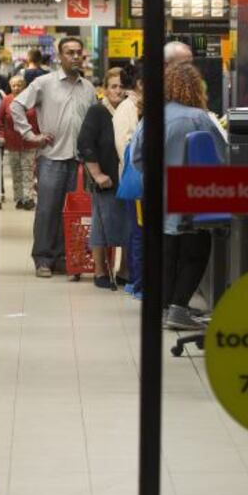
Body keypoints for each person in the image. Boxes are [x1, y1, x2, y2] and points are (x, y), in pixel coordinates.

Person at [132, 61, 227, 330]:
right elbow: (219, 159)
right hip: (190, 198)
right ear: (194, 88)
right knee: (196, 252)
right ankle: (178, 307)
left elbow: (136, 158)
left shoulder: (151, 117)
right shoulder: (199, 118)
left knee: (166, 252)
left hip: (157, 196)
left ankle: (164, 308)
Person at [10, 36, 96, 278]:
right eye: (70, 52)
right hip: (51, 158)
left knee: (69, 212)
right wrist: (30, 135)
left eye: (79, 52)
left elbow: (92, 123)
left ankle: (61, 257)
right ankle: (43, 259)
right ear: (60, 56)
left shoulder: (88, 88)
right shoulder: (43, 83)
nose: (75, 56)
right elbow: (15, 105)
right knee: (47, 210)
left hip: (78, 161)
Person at [78, 67, 129, 289]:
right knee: (101, 224)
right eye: (113, 86)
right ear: (105, 89)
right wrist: (97, 174)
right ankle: (100, 271)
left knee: (128, 226)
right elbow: (85, 144)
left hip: (128, 178)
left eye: (122, 86)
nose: (118, 91)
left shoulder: (131, 110)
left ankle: (125, 271)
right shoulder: (98, 112)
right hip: (105, 178)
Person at [113, 61, 144, 299]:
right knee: (138, 233)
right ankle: (136, 281)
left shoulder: (139, 106)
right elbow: (126, 148)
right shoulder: (127, 109)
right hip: (138, 181)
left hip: (141, 180)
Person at [0, 75, 38, 210]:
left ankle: (28, 199)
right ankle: (19, 198)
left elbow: (38, 119)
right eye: (13, 85)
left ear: (24, 85)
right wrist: (1, 135)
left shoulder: (32, 100)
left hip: (29, 141)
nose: (16, 87)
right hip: (12, 141)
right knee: (16, 171)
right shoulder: (6, 101)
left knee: (27, 170)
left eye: (19, 84)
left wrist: (38, 136)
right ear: (10, 86)